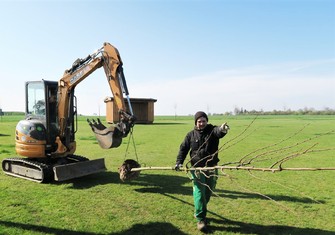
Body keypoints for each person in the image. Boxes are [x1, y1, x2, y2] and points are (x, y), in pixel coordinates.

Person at [175, 111, 229, 232]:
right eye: (199, 121)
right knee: (199, 192)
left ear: (207, 121)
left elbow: (218, 132)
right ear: (195, 122)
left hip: (211, 167)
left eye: (203, 121)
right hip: (197, 168)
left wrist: (222, 129)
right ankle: (200, 219)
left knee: (208, 191)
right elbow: (183, 149)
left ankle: (200, 209)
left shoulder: (212, 131)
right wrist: (179, 162)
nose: (201, 123)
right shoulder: (190, 135)